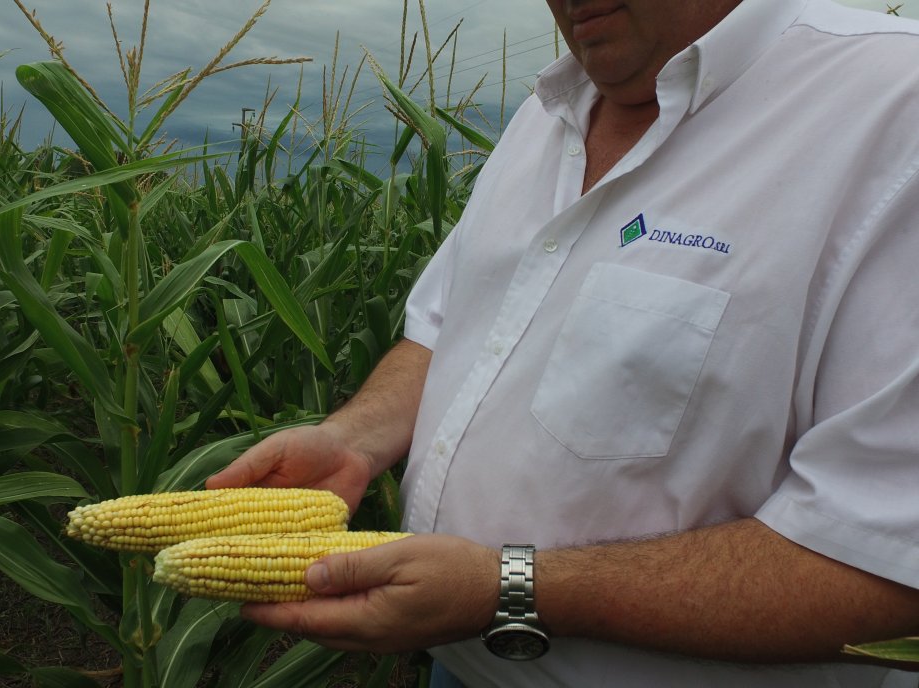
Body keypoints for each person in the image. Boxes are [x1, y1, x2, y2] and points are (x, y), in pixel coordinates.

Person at [207, 0, 919, 685]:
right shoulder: (548, 112)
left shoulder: (891, 111)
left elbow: (887, 568)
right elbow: (449, 330)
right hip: (456, 663)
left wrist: (509, 589)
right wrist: (354, 439)